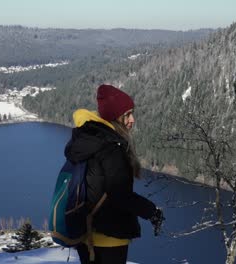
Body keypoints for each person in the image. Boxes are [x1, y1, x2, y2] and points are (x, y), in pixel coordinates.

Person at [64, 84, 165, 264]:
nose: (132, 119)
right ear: (114, 117)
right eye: (127, 114)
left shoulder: (85, 139)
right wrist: (152, 211)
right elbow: (120, 195)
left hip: (84, 233)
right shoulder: (112, 149)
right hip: (109, 236)